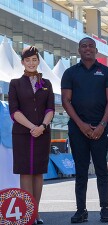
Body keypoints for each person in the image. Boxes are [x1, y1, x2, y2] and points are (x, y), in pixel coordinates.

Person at [61, 37, 108, 223]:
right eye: (84, 46)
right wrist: (81, 125)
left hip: (101, 127)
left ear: (96, 50)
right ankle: (81, 210)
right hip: (77, 129)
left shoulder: (106, 72)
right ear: (79, 50)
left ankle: (105, 209)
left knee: (101, 169)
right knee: (81, 170)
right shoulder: (70, 73)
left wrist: (101, 125)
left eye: (91, 46)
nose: (87, 49)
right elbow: (66, 101)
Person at [8, 46, 55, 224]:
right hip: (22, 134)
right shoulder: (15, 83)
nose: (31, 63)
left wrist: (42, 126)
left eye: (34, 59)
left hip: (43, 133)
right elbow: (14, 111)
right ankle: (27, 212)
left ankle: (36, 213)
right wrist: (32, 127)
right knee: (25, 173)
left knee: (38, 173)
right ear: (22, 62)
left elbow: (50, 109)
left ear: (38, 61)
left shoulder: (47, 84)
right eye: (27, 60)